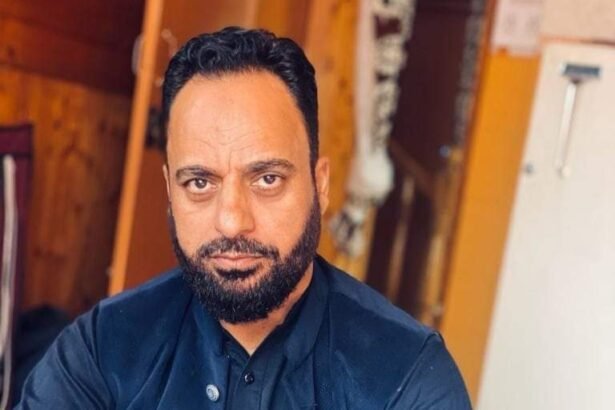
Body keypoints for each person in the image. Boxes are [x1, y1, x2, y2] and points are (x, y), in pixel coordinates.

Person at [16, 27, 471, 409]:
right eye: (200, 182)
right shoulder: (103, 348)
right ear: (170, 192)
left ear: (320, 184)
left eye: (267, 179)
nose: (232, 222)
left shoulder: (406, 376)